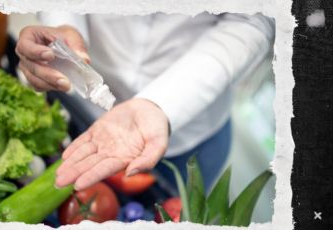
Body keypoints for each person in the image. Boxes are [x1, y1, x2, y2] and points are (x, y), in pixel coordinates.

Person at [15, 12, 275, 192]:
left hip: (191, 129)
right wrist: (63, 25)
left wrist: (160, 103)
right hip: (85, 112)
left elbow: (255, 20)